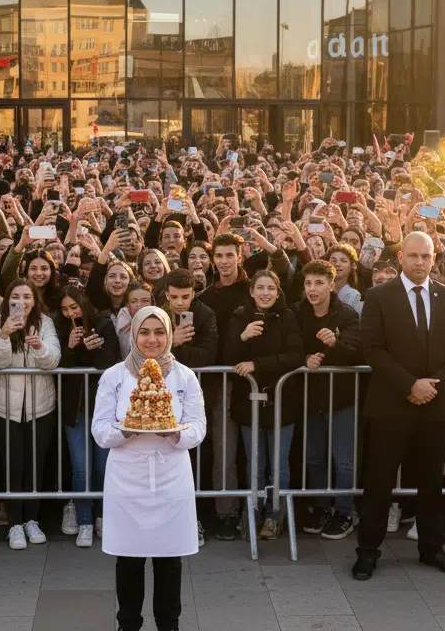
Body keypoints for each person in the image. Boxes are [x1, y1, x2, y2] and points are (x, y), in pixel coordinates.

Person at [354, 231, 445, 581]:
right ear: (401, 257)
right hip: (391, 406)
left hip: (435, 405)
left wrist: (431, 385)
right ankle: (368, 552)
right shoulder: (378, 296)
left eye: (426, 256)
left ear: (434, 259)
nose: (420, 262)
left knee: (431, 482)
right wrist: (409, 385)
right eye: (414, 255)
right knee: (379, 482)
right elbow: (371, 349)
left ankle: (431, 548)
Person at [92, 306, 206, 631]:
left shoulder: (184, 376)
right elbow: (99, 429)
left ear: (169, 335)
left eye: (159, 332)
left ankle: (169, 625)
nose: (151, 339)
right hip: (126, 481)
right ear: (133, 334)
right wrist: (125, 429)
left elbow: (198, 427)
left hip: (171, 479)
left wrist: (175, 433)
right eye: (144, 332)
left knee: (169, 561)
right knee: (128, 560)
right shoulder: (114, 376)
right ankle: (128, 624)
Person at [223, 269, 303, 540]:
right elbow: (227, 356)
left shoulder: (288, 315)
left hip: (282, 401)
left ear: (278, 291)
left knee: (279, 464)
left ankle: (274, 516)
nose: (266, 293)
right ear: (252, 291)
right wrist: (243, 337)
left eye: (271, 288)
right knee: (254, 464)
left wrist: (258, 364)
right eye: (261, 287)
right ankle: (253, 513)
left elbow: (295, 356)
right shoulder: (239, 316)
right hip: (250, 404)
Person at [0, 279, 61, 550]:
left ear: (34, 300)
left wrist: (40, 346)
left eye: (27, 296)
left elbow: (53, 360)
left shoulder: (46, 324)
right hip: (5, 408)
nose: (22, 302)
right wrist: (5, 335)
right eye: (15, 296)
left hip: (40, 407)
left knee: (35, 466)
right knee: (13, 466)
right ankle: (15, 523)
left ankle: (32, 519)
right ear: (8, 301)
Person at [292, 260, 363, 541]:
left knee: (343, 460)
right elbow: (289, 345)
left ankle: (345, 511)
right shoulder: (297, 313)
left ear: (331, 286)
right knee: (314, 457)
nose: (312, 289)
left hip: (341, 398)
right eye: (308, 283)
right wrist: (303, 359)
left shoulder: (346, 315)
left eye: (319, 283)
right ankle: (321, 506)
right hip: (310, 398)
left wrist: (335, 344)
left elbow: (358, 353)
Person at [55, 286, 121, 547]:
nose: (70, 313)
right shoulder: (60, 329)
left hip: (103, 409)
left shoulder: (104, 325)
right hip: (75, 408)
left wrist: (94, 349)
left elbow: (111, 362)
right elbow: (59, 366)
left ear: (84, 304)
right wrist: (70, 347)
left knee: (103, 466)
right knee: (80, 467)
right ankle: (84, 520)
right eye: (65, 309)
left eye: (74, 307)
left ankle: (104, 516)